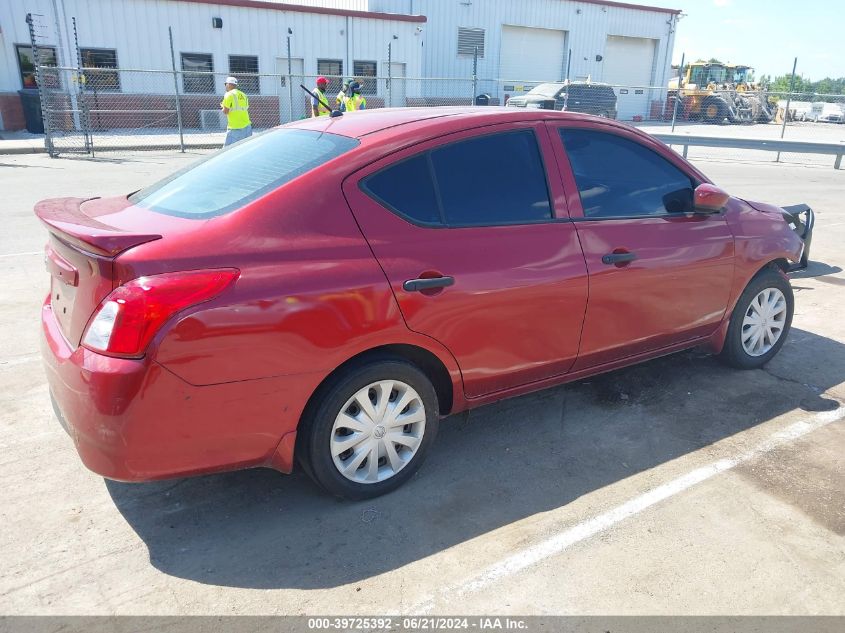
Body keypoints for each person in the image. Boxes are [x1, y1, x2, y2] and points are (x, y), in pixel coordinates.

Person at [220, 76, 252, 147]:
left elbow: (225, 111)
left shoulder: (228, 94)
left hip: (235, 127)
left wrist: (223, 107)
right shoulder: (244, 95)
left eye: (225, 84)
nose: (225, 86)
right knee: (246, 148)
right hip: (247, 126)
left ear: (229, 84)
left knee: (227, 150)